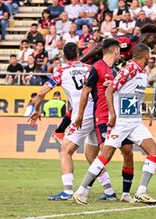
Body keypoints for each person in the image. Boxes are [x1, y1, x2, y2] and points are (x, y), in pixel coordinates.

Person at [73, 43, 156, 205]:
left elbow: (132, 93)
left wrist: (146, 109)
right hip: (122, 122)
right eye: (150, 55)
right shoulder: (130, 69)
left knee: (154, 151)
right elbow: (109, 91)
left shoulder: (141, 71)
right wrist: (112, 115)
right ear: (146, 55)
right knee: (105, 155)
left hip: (135, 122)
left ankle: (141, 192)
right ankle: (80, 191)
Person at [28, 42, 115, 201]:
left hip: (82, 116)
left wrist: (36, 109)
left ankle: (67, 191)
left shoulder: (62, 72)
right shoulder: (90, 68)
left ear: (63, 56)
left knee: (65, 151)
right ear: (77, 53)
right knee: (91, 155)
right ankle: (109, 192)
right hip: (98, 114)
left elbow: (41, 93)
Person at [73, 38, 136, 202]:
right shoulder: (97, 68)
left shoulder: (115, 71)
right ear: (116, 51)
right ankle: (92, 190)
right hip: (102, 117)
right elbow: (85, 92)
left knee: (127, 152)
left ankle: (123, 193)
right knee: (99, 155)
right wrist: (79, 115)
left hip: (118, 118)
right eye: (119, 51)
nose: (120, 54)